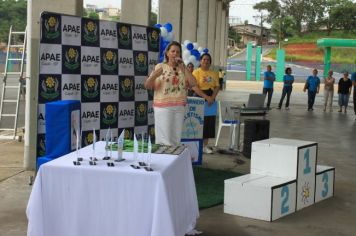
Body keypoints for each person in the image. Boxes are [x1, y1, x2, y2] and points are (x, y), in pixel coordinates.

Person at [144, 41, 208, 146]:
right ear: (167, 53)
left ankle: (173, 159)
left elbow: (193, 83)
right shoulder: (160, 66)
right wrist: (154, 75)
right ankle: (164, 159)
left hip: (179, 106)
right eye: (172, 51)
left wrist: (183, 67)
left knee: (175, 139)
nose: (175, 54)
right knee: (164, 139)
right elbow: (147, 86)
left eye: (178, 52)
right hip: (163, 107)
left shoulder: (183, 69)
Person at [192, 53, 219, 154]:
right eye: (204, 59)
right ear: (200, 61)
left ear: (210, 62)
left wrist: (212, 97)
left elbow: (217, 87)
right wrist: (206, 97)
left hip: (211, 99)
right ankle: (196, 145)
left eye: (208, 60)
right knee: (197, 121)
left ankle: (205, 146)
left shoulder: (214, 73)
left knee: (208, 122)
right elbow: (194, 87)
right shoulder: (196, 72)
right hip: (199, 97)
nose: (206, 61)